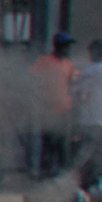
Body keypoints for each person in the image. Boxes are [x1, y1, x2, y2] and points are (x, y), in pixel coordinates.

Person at [31, 35, 79, 176]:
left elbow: (70, 84)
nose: (66, 49)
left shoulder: (67, 64)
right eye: (64, 45)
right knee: (48, 144)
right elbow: (32, 80)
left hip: (64, 110)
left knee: (62, 145)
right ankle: (45, 174)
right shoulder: (44, 62)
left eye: (67, 46)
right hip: (48, 111)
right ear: (57, 45)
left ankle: (61, 177)